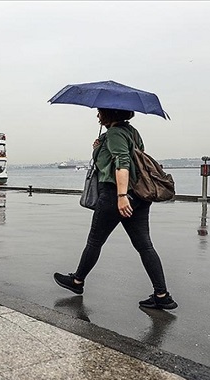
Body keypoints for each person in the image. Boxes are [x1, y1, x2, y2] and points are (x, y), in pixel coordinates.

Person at [53, 108, 177, 310]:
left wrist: (121, 196)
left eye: (100, 112)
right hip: (138, 196)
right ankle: (162, 295)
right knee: (145, 245)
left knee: (95, 240)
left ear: (109, 114)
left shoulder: (115, 133)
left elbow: (122, 163)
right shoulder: (131, 132)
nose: (97, 116)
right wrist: (98, 147)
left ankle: (77, 281)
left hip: (115, 194)